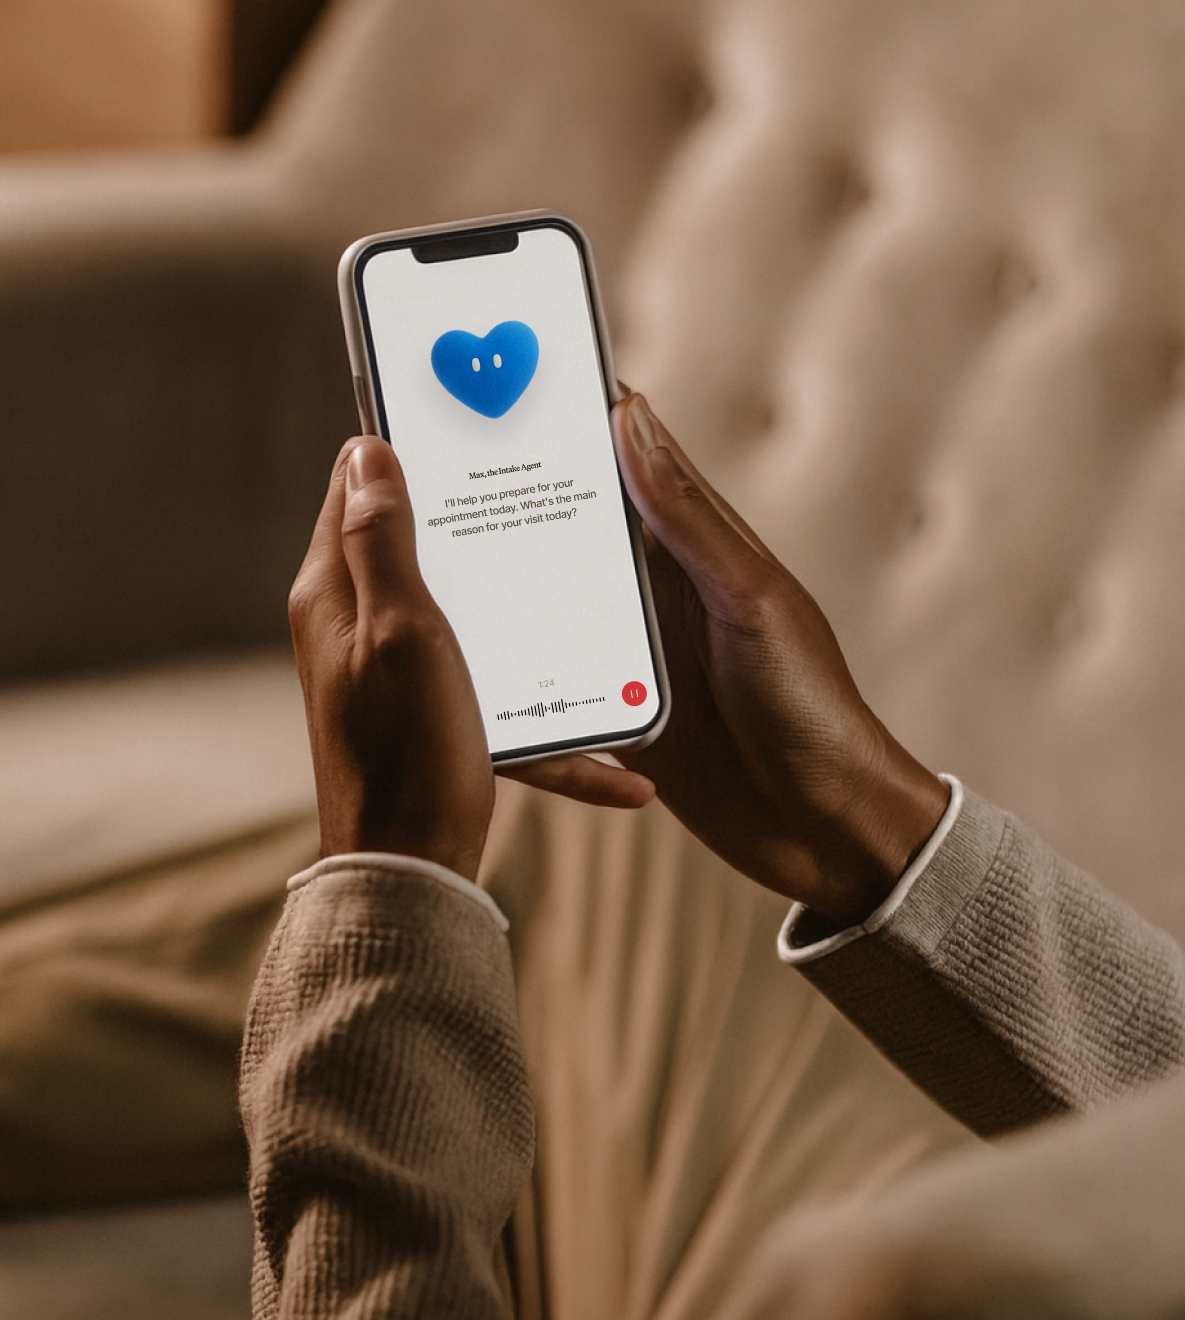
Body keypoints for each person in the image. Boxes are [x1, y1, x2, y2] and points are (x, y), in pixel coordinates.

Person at [240, 393, 1185, 1318]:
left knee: (527, 836)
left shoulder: (893, 1281)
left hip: (870, 1227)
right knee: (576, 820)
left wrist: (385, 881)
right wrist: (870, 828)